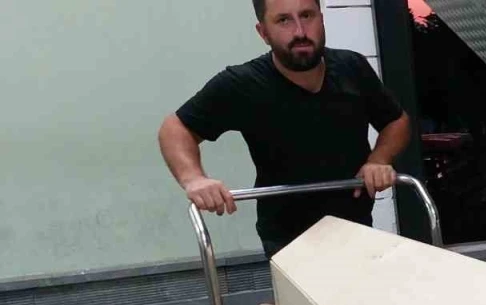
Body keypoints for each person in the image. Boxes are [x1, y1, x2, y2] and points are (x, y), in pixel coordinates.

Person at [158, 0, 412, 257]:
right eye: (283, 20)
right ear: (263, 32)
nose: (300, 31)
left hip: (356, 226)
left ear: (321, 19)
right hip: (287, 238)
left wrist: (379, 159)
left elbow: (396, 120)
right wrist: (195, 179)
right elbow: (175, 129)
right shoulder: (243, 84)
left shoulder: (352, 68)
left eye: (307, 15)